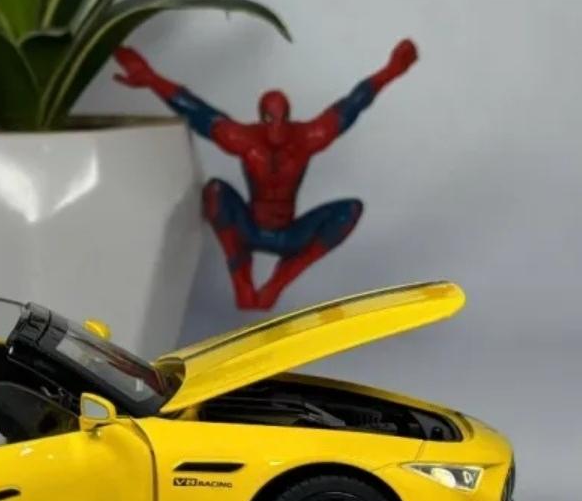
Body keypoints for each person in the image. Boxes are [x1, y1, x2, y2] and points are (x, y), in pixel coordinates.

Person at [114, 40, 419, 309]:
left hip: (290, 235)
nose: (277, 127)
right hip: (248, 229)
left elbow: (353, 104)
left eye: (282, 118)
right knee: (215, 191)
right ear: (261, 117)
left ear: (289, 115)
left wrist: (391, 70)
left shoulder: (309, 137)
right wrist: (151, 79)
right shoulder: (245, 140)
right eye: (270, 118)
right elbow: (197, 111)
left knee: (350, 210)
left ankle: (277, 282)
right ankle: (242, 281)